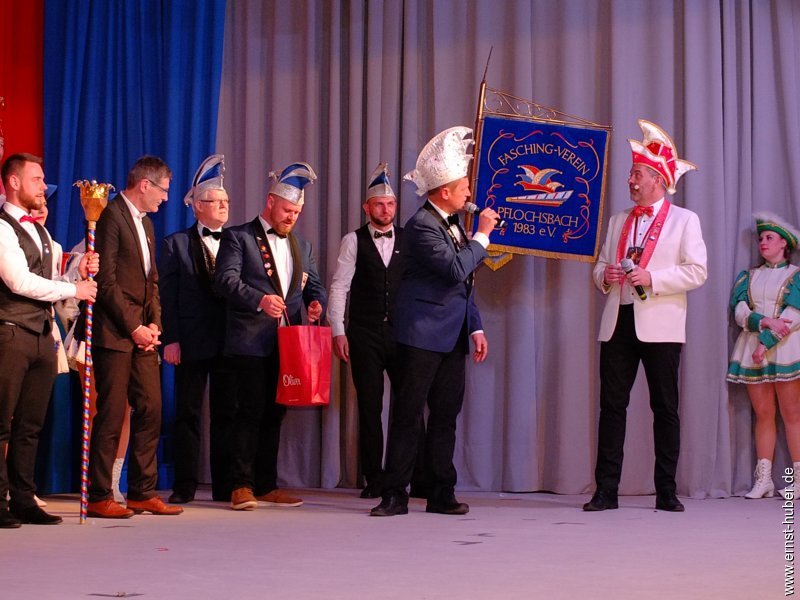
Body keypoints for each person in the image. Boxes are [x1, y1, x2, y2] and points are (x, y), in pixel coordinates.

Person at [370, 127, 500, 517]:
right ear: (444, 191)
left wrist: (475, 326)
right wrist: (483, 237)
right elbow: (455, 269)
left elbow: (465, 284)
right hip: (421, 336)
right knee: (408, 415)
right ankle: (395, 494)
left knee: (446, 416)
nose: (469, 192)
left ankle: (441, 492)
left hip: (452, 335)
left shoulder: (453, 223)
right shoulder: (422, 226)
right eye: (463, 187)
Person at [583, 120, 708, 513]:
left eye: (637, 174)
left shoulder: (685, 220)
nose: (630, 180)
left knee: (665, 408)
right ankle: (605, 491)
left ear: (658, 180)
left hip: (661, 325)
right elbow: (600, 266)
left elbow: (698, 271)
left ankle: (666, 491)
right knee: (611, 407)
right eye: (631, 174)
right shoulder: (618, 220)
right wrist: (605, 276)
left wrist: (653, 277)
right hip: (618, 321)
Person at [215, 162, 326, 511]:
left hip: (287, 344)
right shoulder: (238, 237)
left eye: (297, 213)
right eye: (287, 210)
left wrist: (316, 304)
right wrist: (259, 299)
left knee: (276, 413)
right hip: (249, 340)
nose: (291, 217)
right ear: (270, 202)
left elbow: (314, 285)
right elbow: (225, 280)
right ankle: (241, 485)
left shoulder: (302, 245)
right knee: (248, 411)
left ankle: (266, 484)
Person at [0, 153, 98, 527]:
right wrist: (73, 287)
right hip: (9, 332)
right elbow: (19, 282)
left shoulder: (42, 234)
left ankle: (24, 498)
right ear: (13, 182)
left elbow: (52, 286)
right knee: (2, 422)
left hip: (41, 336)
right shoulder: (3, 228)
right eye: (37, 179)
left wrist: (77, 274)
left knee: (30, 424)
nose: (44, 186)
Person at [87, 155, 183, 518]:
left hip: (144, 335)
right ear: (145, 185)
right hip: (115, 333)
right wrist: (134, 327)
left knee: (151, 408)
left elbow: (151, 281)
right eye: (163, 190)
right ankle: (99, 494)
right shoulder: (110, 216)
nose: (165, 198)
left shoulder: (147, 224)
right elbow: (106, 282)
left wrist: (154, 325)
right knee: (112, 414)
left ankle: (142, 491)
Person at [328, 163, 417, 499]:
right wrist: (338, 329)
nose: (386, 210)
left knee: (408, 406)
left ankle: (408, 476)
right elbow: (340, 287)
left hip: (403, 334)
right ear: (367, 208)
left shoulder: (409, 239)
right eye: (379, 204)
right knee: (369, 407)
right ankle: (373, 478)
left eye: (390, 204)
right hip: (364, 334)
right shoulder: (353, 240)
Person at [160, 154, 236, 504]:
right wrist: (171, 339)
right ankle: (185, 485)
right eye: (217, 201)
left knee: (226, 413)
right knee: (187, 414)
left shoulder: (237, 241)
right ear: (198, 207)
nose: (223, 206)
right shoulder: (175, 243)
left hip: (229, 341)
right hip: (190, 341)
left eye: (226, 201)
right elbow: (167, 296)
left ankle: (225, 485)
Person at [727, 214, 800, 499]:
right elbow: (740, 311)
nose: (763, 243)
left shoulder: (796, 276)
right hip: (752, 345)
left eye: (769, 238)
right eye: (760, 238)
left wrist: (764, 344)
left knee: (792, 414)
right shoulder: (748, 276)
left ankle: (797, 479)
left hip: (786, 348)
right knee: (763, 414)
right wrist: (764, 322)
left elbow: (792, 317)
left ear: (784, 244)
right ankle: (764, 479)